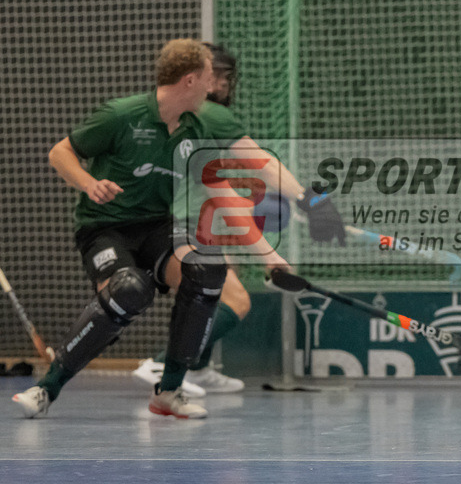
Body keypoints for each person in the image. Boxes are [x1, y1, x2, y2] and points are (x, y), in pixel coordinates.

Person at [11, 39, 293, 420]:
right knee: (128, 291)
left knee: (208, 268)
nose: (214, 87)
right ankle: (47, 389)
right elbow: (60, 152)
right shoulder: (120, 115)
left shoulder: (197, 129)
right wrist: (87, 183)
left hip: (159, 228)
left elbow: (221, 194)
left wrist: (272, 258)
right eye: (210, 77)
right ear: (190, 80)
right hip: (105, 229)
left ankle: (169, 392)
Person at [129, 43, 347, 395]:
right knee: (235, 300)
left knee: (217, 285)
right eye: (225, 77)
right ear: (207, 78)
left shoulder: (178, 112)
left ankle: (196, 369)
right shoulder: (209, 114)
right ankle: (163, 363)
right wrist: (313, 201)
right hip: (183, 222)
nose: (229, 85)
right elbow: (260, 161)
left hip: (180, 217)